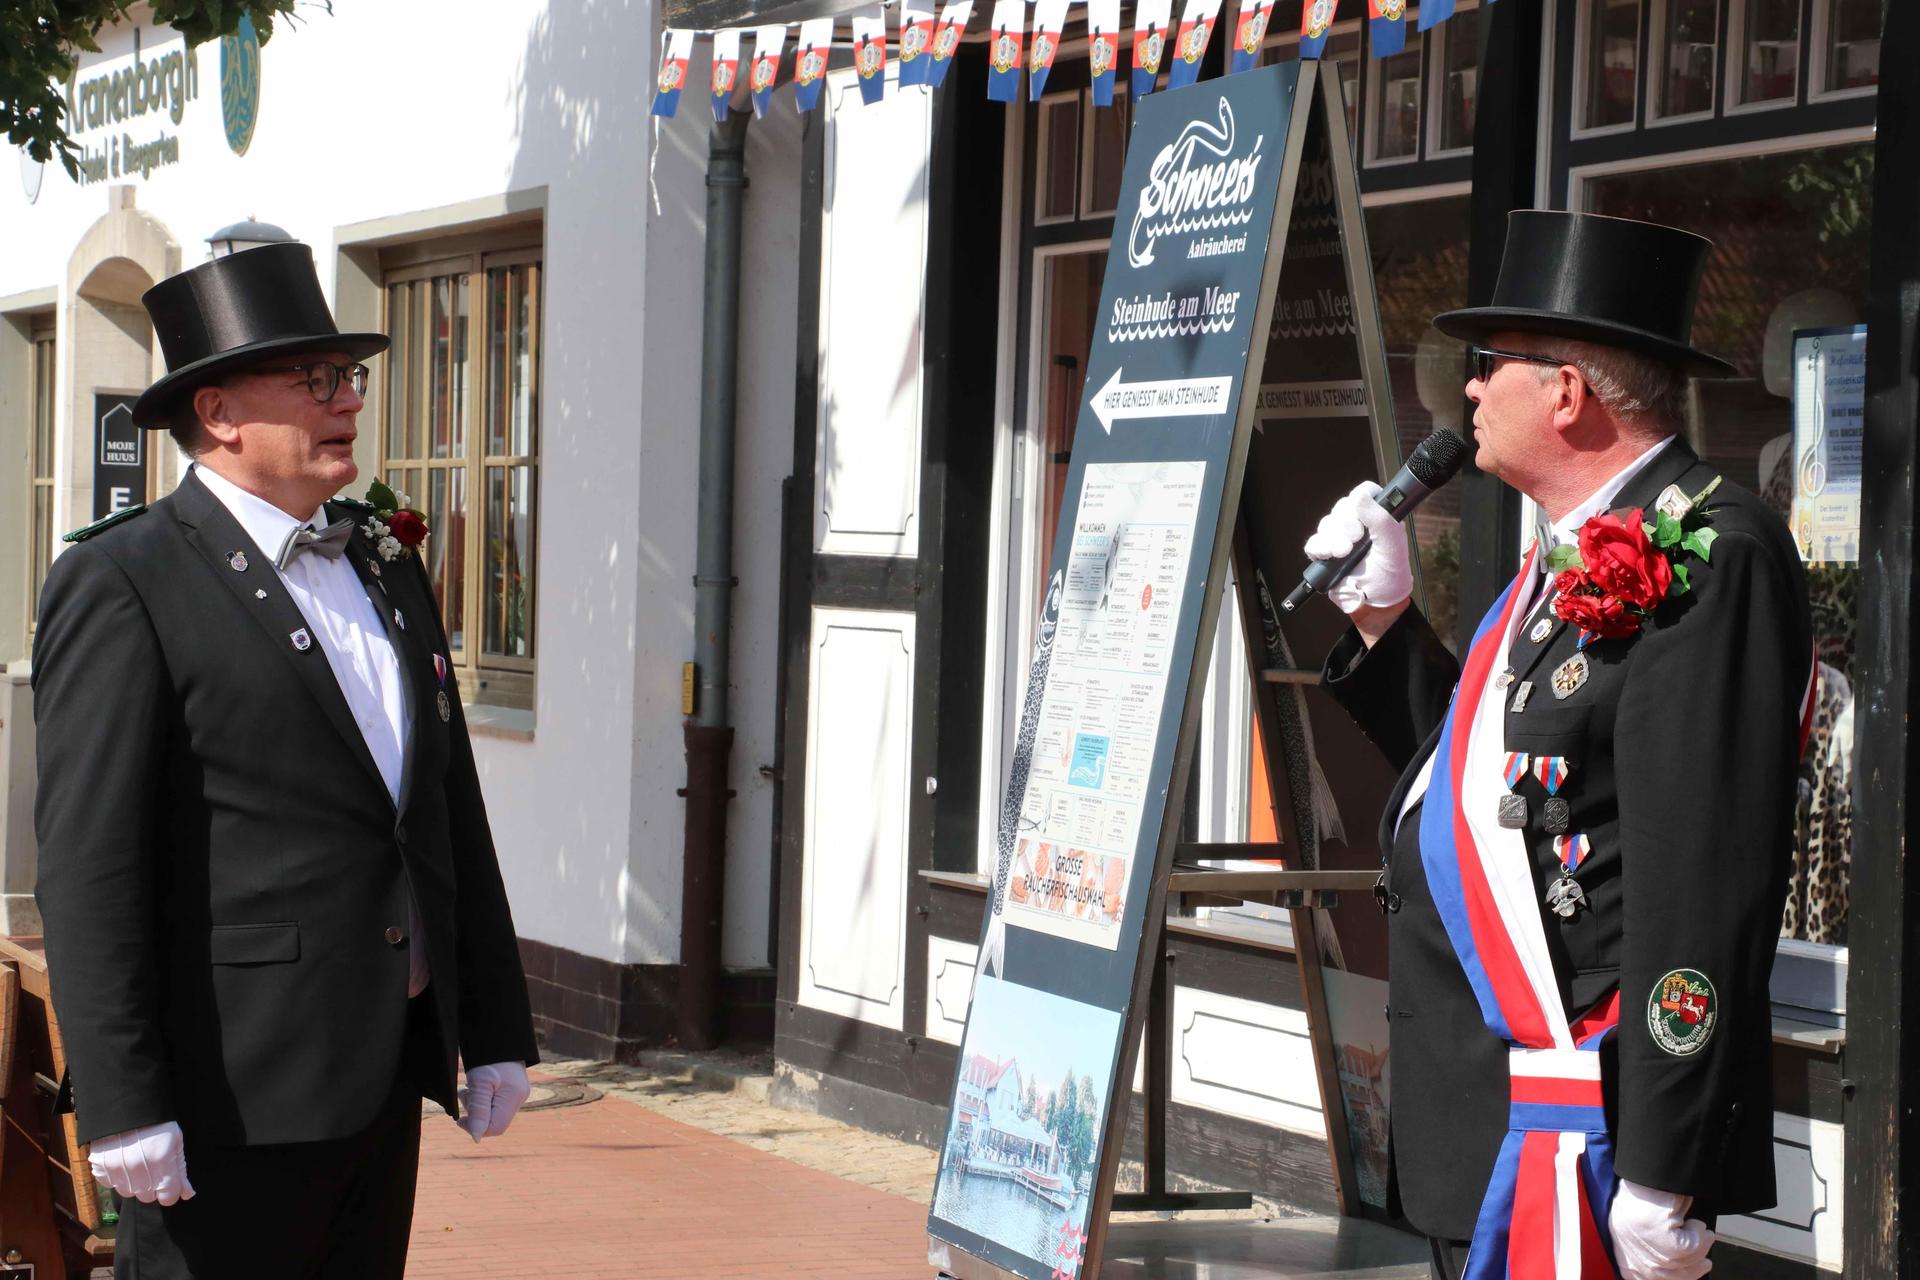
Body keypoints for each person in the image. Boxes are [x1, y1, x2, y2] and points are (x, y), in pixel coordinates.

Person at [1305, 212, 1813, 1280]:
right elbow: (1495, 791)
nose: (1470, 391)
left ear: (1570, 391)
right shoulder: (1564, 554)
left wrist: (1665, 1169)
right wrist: (1385, 626)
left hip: (1595, 1131)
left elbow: (1702, 876)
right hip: (1491, 1120)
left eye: (1492, 366)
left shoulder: (1707, 549)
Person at [33, 242, 539, 1279]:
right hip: (225, 1092)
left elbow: (440, 808)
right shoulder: (123, 579)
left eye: (348, 376)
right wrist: (126, 1103)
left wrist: (491, 1019)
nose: (347, 400)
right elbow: (90, 867)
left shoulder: (383, 560)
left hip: (380, 1073)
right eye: (313, 380)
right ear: (218, 412)